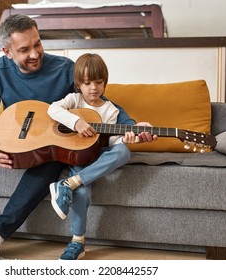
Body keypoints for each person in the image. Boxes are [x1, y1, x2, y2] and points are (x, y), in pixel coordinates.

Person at [0, 14, 154, 260]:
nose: (35, 53)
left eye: (37, 44)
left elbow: (97, 101)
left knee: (55, 153)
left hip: (44, 145)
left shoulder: (65, 69)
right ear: (7, 51)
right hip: (9, 135)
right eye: (24, 49)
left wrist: (131, 126)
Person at [47, 53, 158, 260]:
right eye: (87, 83)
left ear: (105, 82)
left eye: (99, 82)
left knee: (124, 151)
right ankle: (77, 242)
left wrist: (133, 136)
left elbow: (118, 140)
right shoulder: (74, 99)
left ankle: (68, 183)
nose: (93, 88)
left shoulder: (112, 110)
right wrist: (76, 122)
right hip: (77, 156)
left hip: (97, 157)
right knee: (82, 193)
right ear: (78, 84)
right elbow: (53, 109)